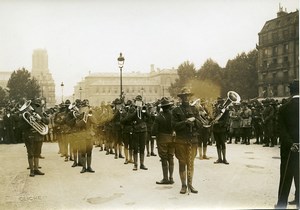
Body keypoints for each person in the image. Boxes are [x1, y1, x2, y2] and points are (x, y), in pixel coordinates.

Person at [172, 87, 201, 194]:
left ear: (190, 97)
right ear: (181, 98)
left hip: (192, 140)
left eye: (187, 96)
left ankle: (190, 184)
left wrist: (194, 120)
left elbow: (200, 124)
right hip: (180, 140)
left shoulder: (195, 110)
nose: (186, 98)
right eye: (184, 96)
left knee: (191, 163)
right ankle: (183, 185)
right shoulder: (176, 110)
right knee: (182, 163)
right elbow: (174, 125)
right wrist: (185, 122)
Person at [275, 80, 299, 209]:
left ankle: (281, 204)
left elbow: (282, 130)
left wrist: (291, 144)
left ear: (290, 90)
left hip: (288, 148)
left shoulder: (283, 108)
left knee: (285, 177)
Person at [21, 98, 49, 177]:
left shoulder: (39, 114)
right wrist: (30, 122)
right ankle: (31, 170)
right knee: (30, 153)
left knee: (37, 153)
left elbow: (47, 121)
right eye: (32, 106)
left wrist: (40, 118)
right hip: (29, 136)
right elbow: (20, 127)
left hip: (38, 135)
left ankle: (36, 169)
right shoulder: (24, 116)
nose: (32, 108)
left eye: (36, 106)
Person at [122, 95, 149, 171]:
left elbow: (150, 118)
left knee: (142, 148)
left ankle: (142, 164)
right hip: (136, 131)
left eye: (140, 101)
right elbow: (126, 119)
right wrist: (135, 111)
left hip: (143, 131)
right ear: (135, 102)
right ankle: (135, 164)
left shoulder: (144, 110)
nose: (139, 103)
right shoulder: (133, 110)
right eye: (137, 101)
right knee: (135, 148)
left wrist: (145, 110)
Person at [151, 97, 175, 185]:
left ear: (162, 107)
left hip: (162, 139)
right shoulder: (173, 115)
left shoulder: (158, 117)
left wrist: (154, 134)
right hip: (172, 138)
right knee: (171, 157)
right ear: (169, 106)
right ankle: (171, 178)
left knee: (164, 158)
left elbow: (154, 130)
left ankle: (165, 178)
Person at [212, 97, 230, 164]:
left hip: (222, 129)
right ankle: (219, 158)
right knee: (217, 144)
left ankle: (224, 158)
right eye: (218, 102)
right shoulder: (215, 109)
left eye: (220, 102)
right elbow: (213, 117)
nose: (219, 103)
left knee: (223, 143)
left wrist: (218, 123)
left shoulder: (226, 110)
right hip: (215, 128)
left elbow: (226, 120)